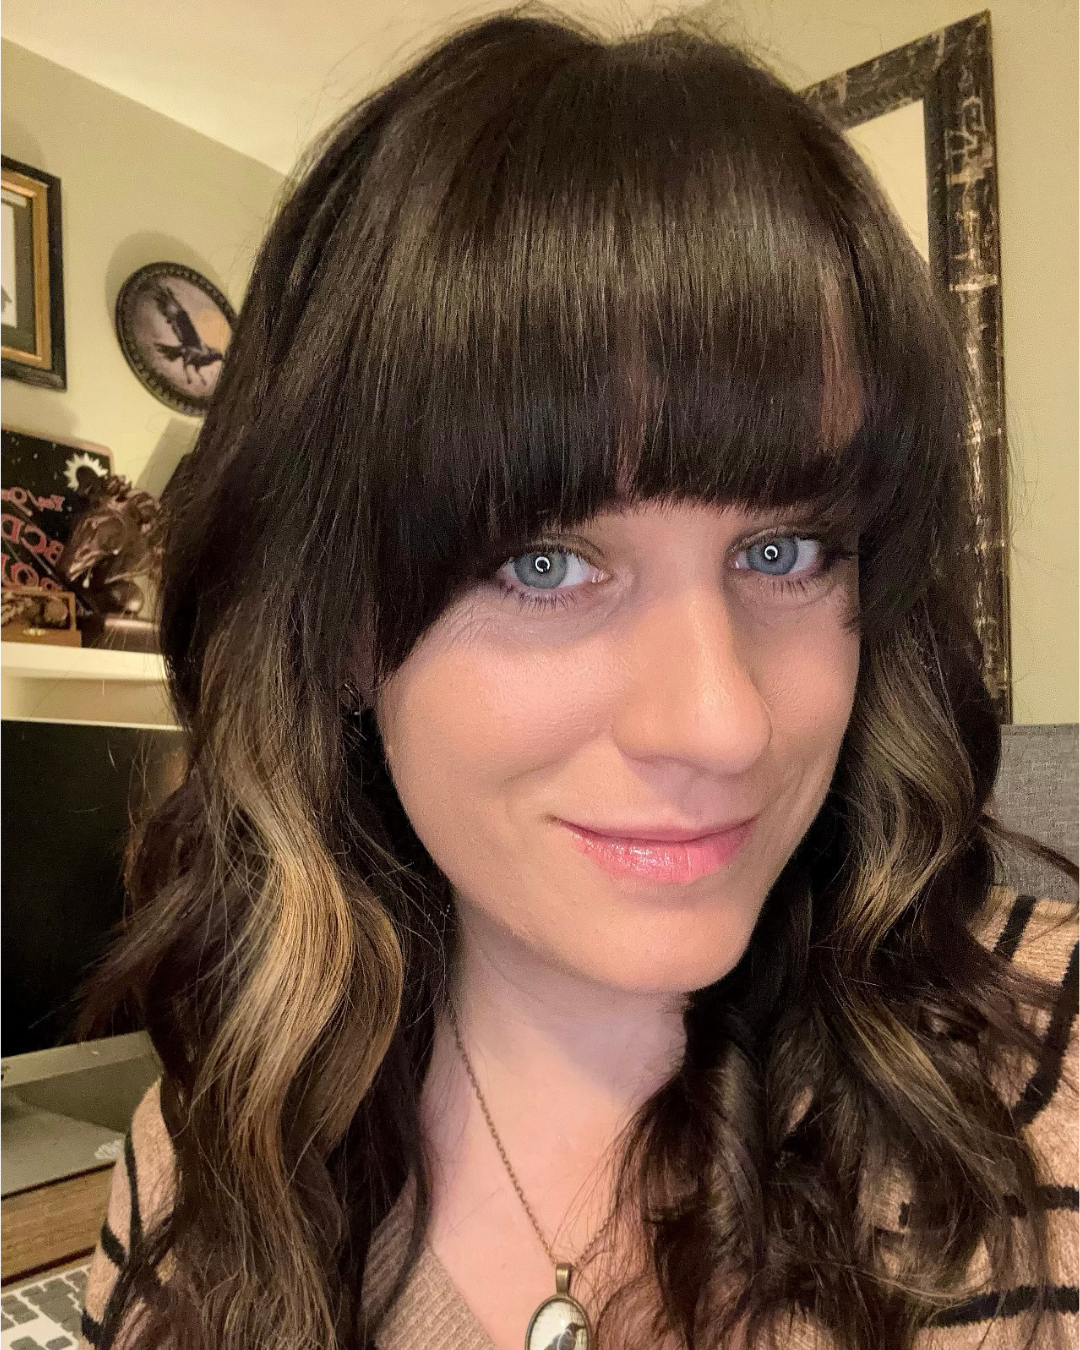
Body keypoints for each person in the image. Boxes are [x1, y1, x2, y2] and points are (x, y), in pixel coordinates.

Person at [75, 11, 1077, 1350]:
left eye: (788, 549)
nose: (721, 722)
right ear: (341, 627)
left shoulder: (1043, 1079)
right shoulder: (207, 1146)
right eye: (544, 564)